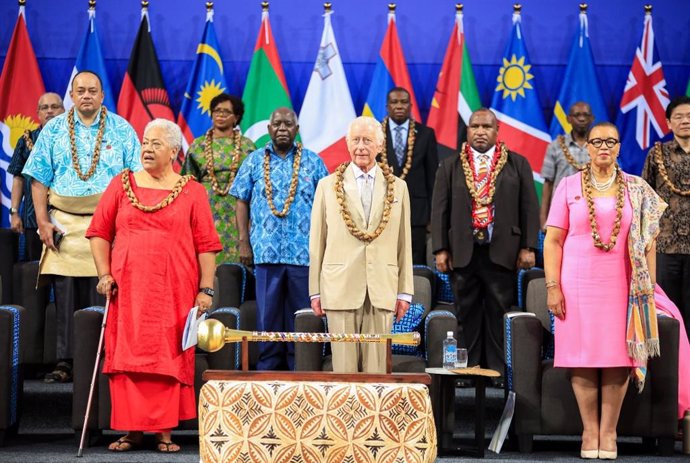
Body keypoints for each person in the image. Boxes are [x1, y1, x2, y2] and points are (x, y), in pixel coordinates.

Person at [87, 119, 221, 453]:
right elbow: (99, 232)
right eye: (145, 142)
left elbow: (206, 245)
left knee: (166, 359)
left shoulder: (192, 190)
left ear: (174, 151)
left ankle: (164, 432)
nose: (147, 148)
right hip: (128, 290)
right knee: (129, 358)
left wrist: (206, 290)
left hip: (174, 291)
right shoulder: (122, 185)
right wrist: (104, 274)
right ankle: (132, 431)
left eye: (156, 144)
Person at [544, 122, 667, 459]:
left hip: (622, 284)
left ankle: (609, 433)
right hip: (577, 283)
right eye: (596, 141)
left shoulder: (636, 188)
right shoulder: (568, 186)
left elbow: (650, 242)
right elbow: (553, 241)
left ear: (618, 146)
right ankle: (589, 432)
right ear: (587, 147)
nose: (603, 147)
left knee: (618, 356)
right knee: (582, 358)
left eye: (610, 141)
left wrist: (650, 289)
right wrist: (553, 286)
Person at [22, 70, 141, 383]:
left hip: (111, 222)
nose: (87, 96)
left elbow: (137, 179)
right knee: (67, 295)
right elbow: (37, 179)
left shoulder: (122, 129)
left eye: (93, 91)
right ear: (71, 96)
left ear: (102, 96)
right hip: (64, 222)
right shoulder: (53, 131)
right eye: (81, 91)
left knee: (106, 291)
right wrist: (43, 221)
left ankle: (106, 357)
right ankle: (66, 361)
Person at [431, 108, 539, 380]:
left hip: (503, 250)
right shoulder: (450, 165)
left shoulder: (518, 164)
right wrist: (440, 248)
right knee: (465, 313)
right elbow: (439, 209)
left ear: (496, 131)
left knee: (498, 311)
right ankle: (467, 370)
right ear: (467, 131)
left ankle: (498, 371)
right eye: (475, 126)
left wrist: (528, 246)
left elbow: (529, 207)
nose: (480, 131)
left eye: (486, 126)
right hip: (461, 252)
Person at [309, 116, 414, 373]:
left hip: (382, 288)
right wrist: (315, 291)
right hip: (338, 286)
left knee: (376, 370)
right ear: (347, 144)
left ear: (379, 146)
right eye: (355, 140)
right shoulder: (326, 186)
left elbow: (404, 243)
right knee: (343, 369)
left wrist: (405, 292)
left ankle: (374, 415)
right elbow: (316, 242)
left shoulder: (398, 188)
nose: (361, 147)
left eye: (367, 140)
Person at [230, 107, 328, 371]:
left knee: (302, 314)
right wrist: (243, 242)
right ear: (269, 128)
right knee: (268, 313)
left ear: (297, 129)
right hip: (265, 251)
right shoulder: (253, 161)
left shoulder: (313, 162)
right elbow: (241, 201)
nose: (282, 128)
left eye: (288, 123)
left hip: (304, 254)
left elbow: (326, 206)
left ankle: (302, 365)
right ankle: (268, 366)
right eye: (277, 123)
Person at [182, 93, 256, 264]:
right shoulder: (198, 145)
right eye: (217, 111)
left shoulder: (247, 147)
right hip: (206, 210)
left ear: (236, 117)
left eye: (226, 112)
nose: (220, 115)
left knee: (235, 274)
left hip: (239, 211)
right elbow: (186, 184)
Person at [642, 95, 690, 338]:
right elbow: (644, 198)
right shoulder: (657, 154)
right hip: (664, 246)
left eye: (689, 116)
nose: (685, 121)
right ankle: (670, 367)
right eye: (679, 117)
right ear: (668, 123)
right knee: (666, 309)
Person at [382, 87, 439, 265]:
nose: (399, 106)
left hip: (417, 214)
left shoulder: (426, 134)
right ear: (387, 106)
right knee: (385, 259)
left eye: (404, 102)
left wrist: (432, 215)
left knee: (415, 262)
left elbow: (432, 178)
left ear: (411, 105)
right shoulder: (375, 133)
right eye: (394, 102)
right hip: (382, 211)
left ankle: (416, 293)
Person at [8, 93, 65, 261]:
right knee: (34, 272)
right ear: (38, 113)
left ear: (64, 111)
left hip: (66, 218)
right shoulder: (26, 140)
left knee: (65, 276)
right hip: (33, 220)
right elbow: (18, 178)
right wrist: (14, 212)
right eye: (44, 108)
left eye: (54, 107)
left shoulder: (74, 140)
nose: (49, 111)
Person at [540, 101, 594, 229]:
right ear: (569, 119)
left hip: (592, 212)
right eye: (577, 115)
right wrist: (543, 220)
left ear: (592, 119)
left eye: (586, 115)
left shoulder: (600, 147)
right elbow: (548, 184)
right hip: (562, 212)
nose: (581, 118)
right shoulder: (555, 146)